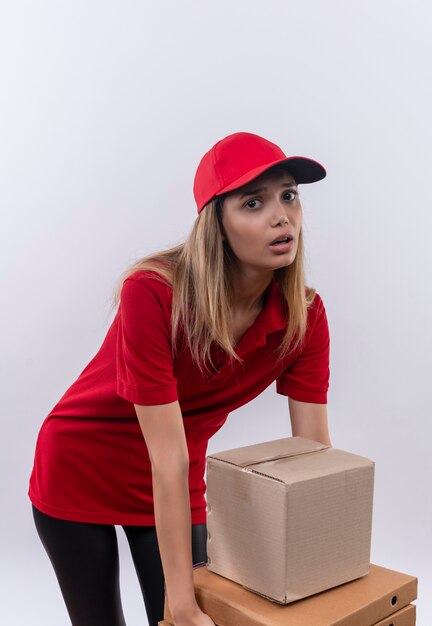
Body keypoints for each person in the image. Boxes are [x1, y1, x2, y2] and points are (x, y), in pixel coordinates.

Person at [29, 131, 332, 626]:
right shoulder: (151, 293)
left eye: (289, 195)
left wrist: (320, 571)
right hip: (82, 463)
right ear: (216, 223)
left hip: (175, 481)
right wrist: (184, 605)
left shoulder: (304, 316)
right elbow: (165, 455)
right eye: (253, 202)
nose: (281, 216)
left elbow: (316, 455)